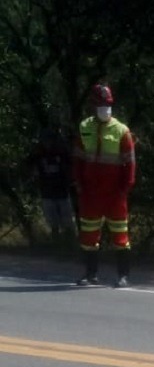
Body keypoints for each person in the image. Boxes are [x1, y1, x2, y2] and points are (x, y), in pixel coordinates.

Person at [72, 84, 136, 287]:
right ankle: (90, 274)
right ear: (93, 106)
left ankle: (123, 275)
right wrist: (79, 185)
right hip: (91, 193)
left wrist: (125, 188)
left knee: (120, 235)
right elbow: (78, 160)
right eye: (100, 105)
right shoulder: (84, 128)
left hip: (114, 194)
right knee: (88, 235)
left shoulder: (121, 131)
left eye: (107, 105)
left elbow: (130, 162)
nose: (104, 109)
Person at [28, 128, 75, 242]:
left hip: (62, 191)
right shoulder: (38, 154)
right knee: (52, 221)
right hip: (47, 191)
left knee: (67, 219)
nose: (47, 143)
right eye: (44, 141)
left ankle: (70, 242)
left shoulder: (62, 152)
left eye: (49, 140)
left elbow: (71, 166)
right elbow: (28, 164)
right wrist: (33, 173)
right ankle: (56, 242)